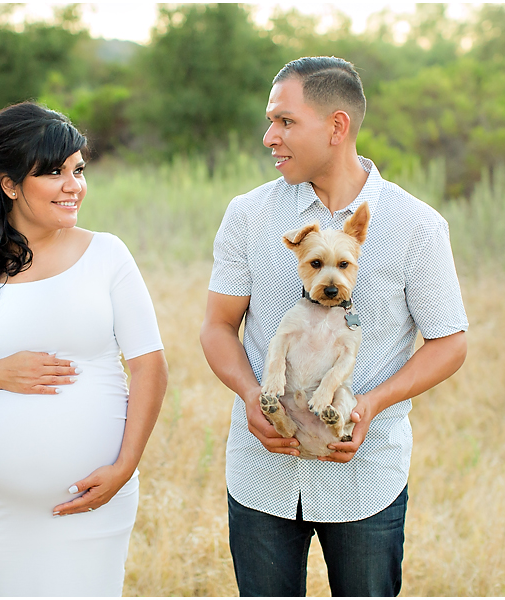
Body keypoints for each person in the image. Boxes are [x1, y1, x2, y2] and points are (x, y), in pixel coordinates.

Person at [200, 56, 468, 596]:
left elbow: (450, 341)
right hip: (261, 471)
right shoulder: (248, 215)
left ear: (337, 126)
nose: (269, 135)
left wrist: (370, 405)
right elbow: (217, 326)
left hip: (365, 473)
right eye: (271, 121)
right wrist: (253, 395)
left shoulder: (416, 225)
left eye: (286, 121)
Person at [0, 102, 168, 597]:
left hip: (97, 495)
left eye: (78, 170)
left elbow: (150, 367)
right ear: (9, 183)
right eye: (53, 173)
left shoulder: (107, 255)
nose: (74, 185)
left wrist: (124, 467)